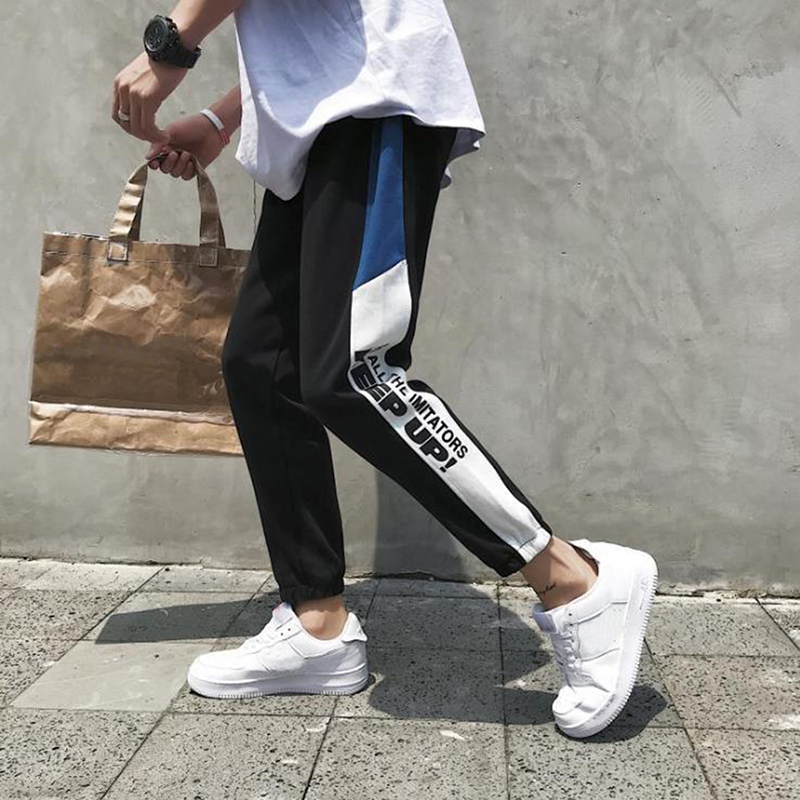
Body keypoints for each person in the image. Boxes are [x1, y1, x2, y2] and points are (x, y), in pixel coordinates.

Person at [112, 0, 658, 739]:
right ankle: (318, 624)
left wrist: (170, 46)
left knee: (352, 371)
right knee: (261, 365)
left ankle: (573, 579)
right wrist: (221, 119)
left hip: (369, 103)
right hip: (325, 114)